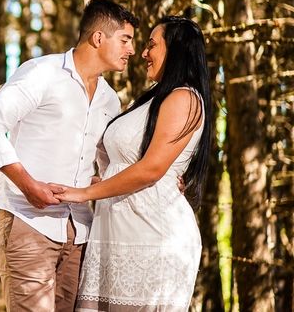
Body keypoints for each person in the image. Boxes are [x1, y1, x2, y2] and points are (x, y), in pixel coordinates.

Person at [0, 0, 139, 312]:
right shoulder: (41, 73)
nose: (131, 50)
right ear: (98, 38)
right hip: (27, 222)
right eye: (125, 40)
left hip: (79, 233)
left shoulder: (109, 100)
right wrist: (26, 183)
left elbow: (107, 170)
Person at [53, 16, 214, 311]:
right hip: (117, 235)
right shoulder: (153, 100)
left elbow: (152, 169)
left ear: (176, 50)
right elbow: (134, 162)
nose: (142, 52)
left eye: (152, 44)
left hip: (152, 240)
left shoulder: (185, 98)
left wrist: (84, 194)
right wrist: (106, 181)